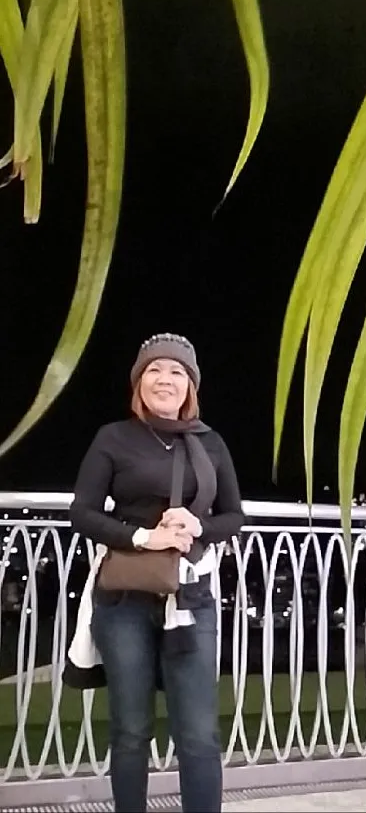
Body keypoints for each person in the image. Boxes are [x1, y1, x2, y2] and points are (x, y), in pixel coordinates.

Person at [63, 333, 244, 813]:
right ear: (139, 382)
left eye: (177, 372)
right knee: (130, 730)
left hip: (191, 600)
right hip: (124, 602)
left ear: (190, 387)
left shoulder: (211, 442)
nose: (165, 379)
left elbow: (234, 517)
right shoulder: (114, 438)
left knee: (199, 734)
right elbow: (81, 513)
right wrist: (146, 537)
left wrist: (197, 525)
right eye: (154, 371)